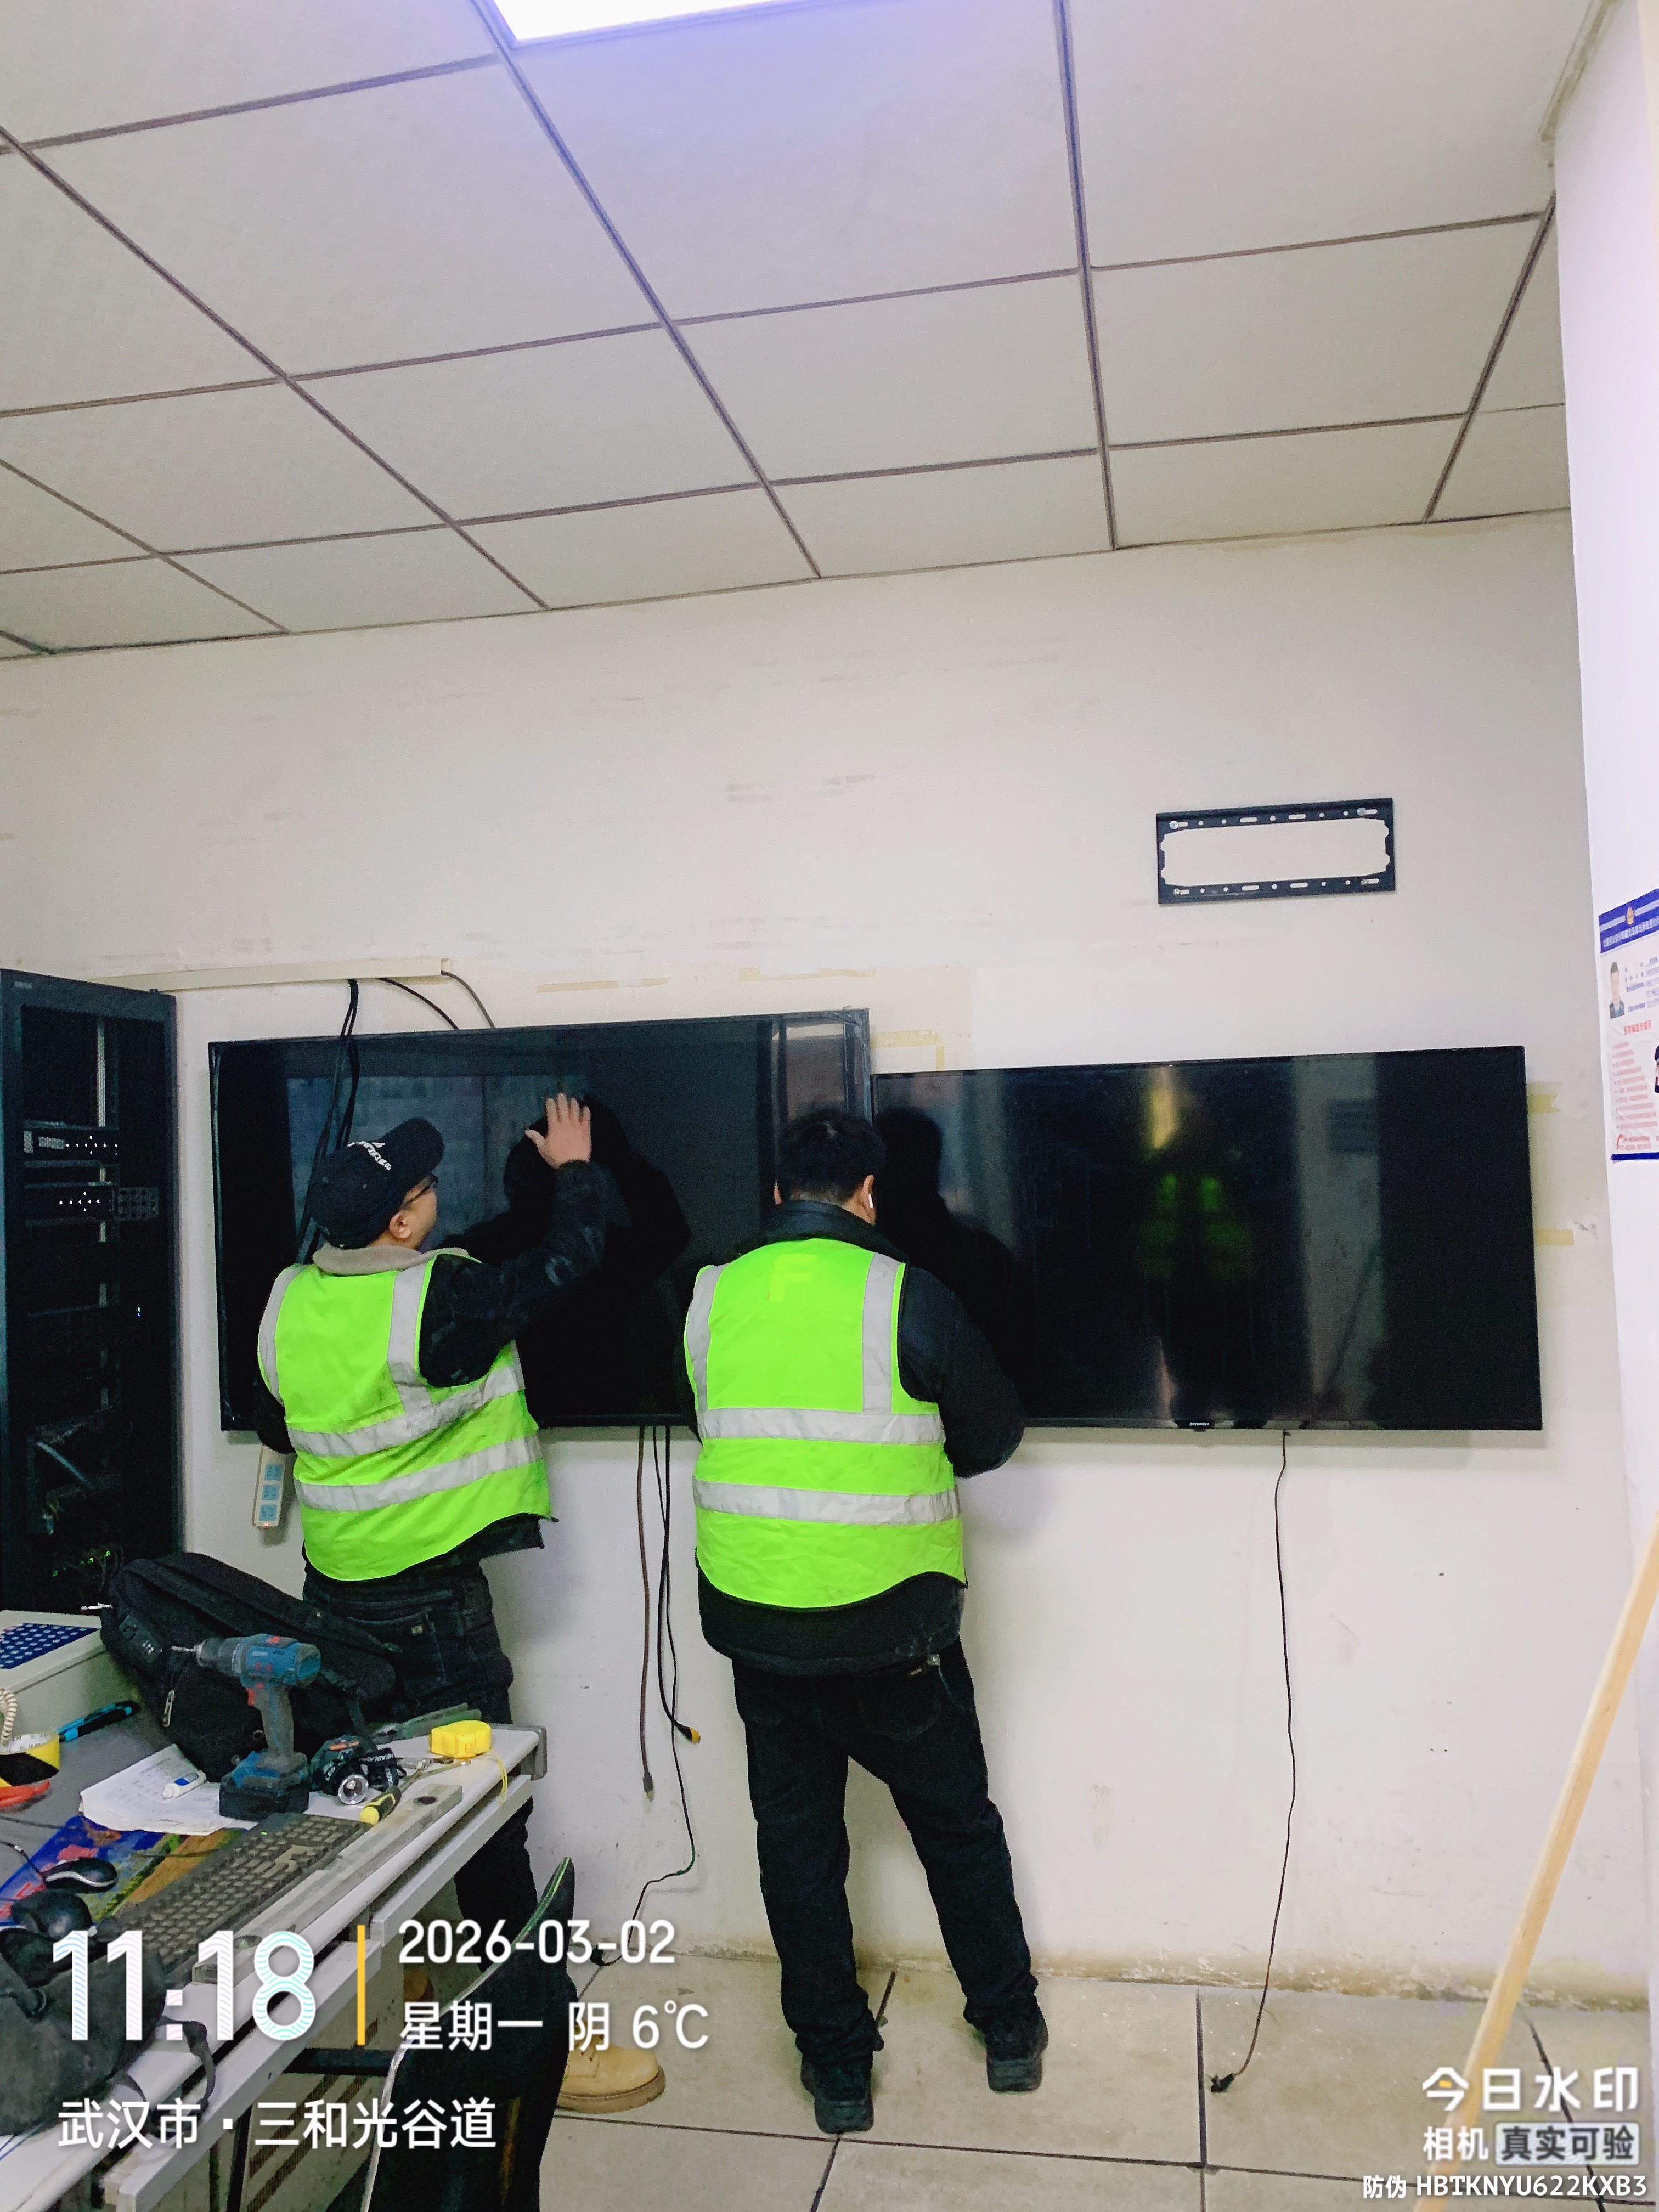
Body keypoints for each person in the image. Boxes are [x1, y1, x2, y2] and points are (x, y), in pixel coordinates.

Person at [252, 1099, 665, 2115]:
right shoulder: (442, 1297)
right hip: (430, 1605)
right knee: (485, 1815)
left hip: (331, 1597)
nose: (438, 1196)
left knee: (370, 1808)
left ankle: (417, 2001)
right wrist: (577, 1169)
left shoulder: (290, 1298)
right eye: (425, 1189)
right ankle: (535, 2048)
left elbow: (279, 1419)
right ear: (401, 1224)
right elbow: (568, 1265)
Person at [682, 1108, 1042, 2136]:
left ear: (778, 1193)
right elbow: (992, 1436)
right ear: (869, 1194)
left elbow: (722, 1420)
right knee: (956, 1830)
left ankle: (837, 2072)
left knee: (798, 1853)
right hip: (895, 1633)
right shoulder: (906, 1293)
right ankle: (1008, 2031)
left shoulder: (712, 1296)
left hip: (763, 1631)